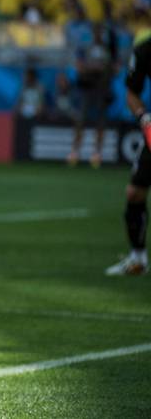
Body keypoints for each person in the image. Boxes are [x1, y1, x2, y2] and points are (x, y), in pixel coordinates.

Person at [108, 26, 151, 276]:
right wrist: (144, 119)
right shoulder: (145, 48)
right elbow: (132, 93)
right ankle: (137, 259)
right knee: (135, 193)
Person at [68, 23, 115, 168]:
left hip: (102, 88)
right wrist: (93, 68)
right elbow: (79, 66)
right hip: (87, 88)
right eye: (95, 32)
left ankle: (97, 154)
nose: (97, 35)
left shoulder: (108, 50)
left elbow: (113, 68)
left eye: (100, 32)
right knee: (80, 120)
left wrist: (101, 68)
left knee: (100, 123)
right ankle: (75, 153)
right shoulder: (85, 48)